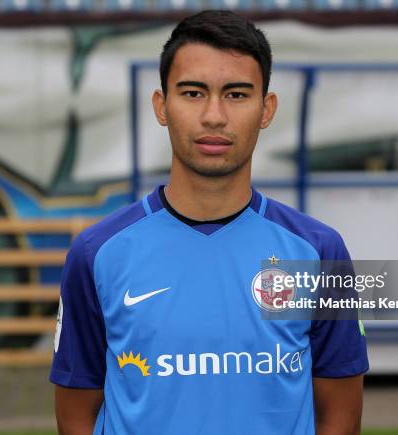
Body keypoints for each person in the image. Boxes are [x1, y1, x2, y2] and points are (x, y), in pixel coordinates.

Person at [50, 10, 368, 435]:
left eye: (236, 94)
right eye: (193, 93)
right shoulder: (96, 253)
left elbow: (341, 415)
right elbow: (75, 413)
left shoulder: (320, 253)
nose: (214, 116)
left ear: (266, 109)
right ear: (162, 106)